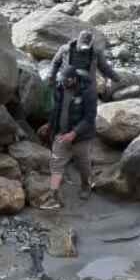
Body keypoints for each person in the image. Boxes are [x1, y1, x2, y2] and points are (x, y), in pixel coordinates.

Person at [38, 63, 96, 209]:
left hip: (81, 137)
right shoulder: (60, 88)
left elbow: (89, 118)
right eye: (62, 80)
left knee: (83, 165)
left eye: (67, 81)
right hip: (61, 135)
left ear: (74, 79)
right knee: (56, 164)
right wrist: (50, 125)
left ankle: (86, 185)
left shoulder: (88, 92)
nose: (64, 83)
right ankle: (54, 196)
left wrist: (74, 133)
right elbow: (56, 111)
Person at [50, 30, 116, 97]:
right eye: (82, 45)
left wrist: (116, 78)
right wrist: (51, 76)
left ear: (91, 44)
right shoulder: (65, 49)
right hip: (67, 81)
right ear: (78, 41)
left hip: (87, 84)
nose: (84, 49)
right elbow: (55, 63)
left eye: (86, 46)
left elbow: (104, 67)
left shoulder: (96, 52)